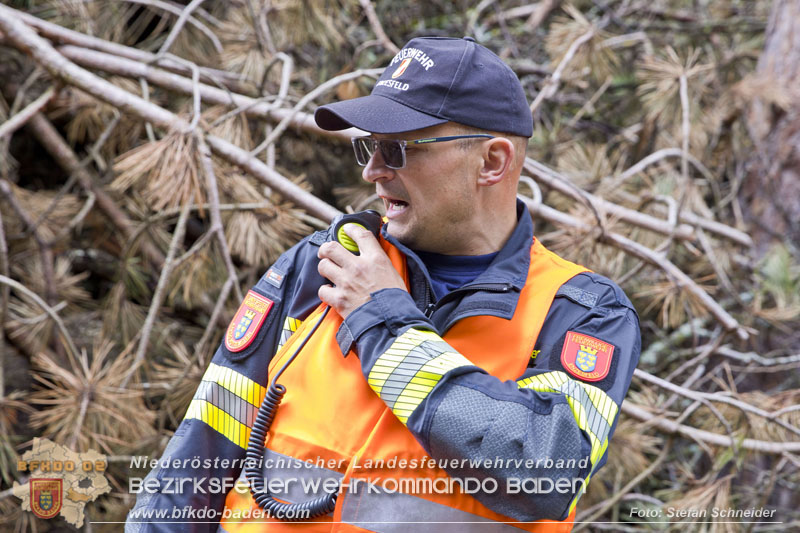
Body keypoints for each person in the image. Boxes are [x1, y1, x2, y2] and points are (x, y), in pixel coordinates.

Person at [126, 36, 640, 533]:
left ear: (493, 161)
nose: (373, 171)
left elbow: (542, 477)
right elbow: (194, 465)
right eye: (371, 147)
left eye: (397, 150)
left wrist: (385, 320)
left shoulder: (581, 312)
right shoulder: (323, 263)